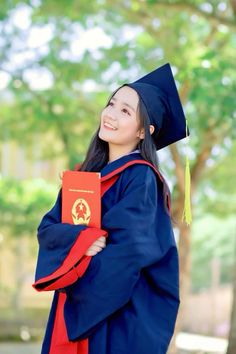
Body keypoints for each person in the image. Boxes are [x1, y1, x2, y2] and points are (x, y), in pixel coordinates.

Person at [33, 62, 190, 354]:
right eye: (111, 104)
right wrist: (83, 241)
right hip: (76, 305)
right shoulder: (85, 176)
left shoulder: (140, 177)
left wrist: (80, 266)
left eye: (125, 111)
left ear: (144, 131)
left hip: (113, 314)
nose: (111, 114)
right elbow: (48, 229)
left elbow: (130, 251)